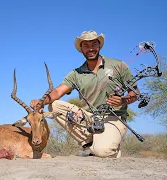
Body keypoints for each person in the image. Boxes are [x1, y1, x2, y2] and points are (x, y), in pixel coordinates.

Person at [30, 30, 140, 158]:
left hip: (113, 118)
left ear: (99, 46)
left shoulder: (119, 65)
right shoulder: (76, 73)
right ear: (81, 49)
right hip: (88, 117)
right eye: (86, 46)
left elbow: (135, 93)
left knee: (103, 152)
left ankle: (104, 147)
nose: (90, 49)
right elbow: (58, 91)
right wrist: (41, 101)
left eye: (94, 44)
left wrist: (123, 101)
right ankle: (88, 144)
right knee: (54, 106)